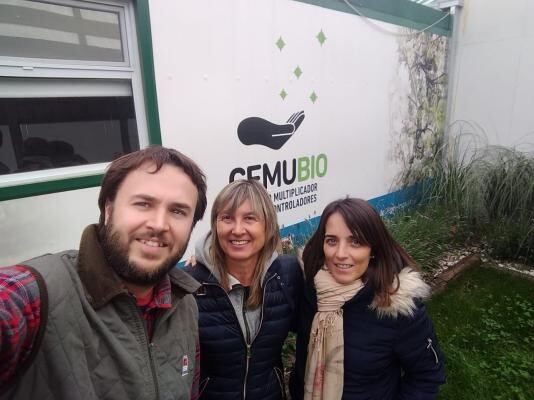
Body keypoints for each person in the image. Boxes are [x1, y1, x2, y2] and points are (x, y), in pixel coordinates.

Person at [0, 146, 207, 400]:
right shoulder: (38, 294)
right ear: (108, 209)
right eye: (143, 203)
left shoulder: (185, 305)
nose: (159, 224)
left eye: (177, 211)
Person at [290, 198, 445, 400]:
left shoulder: (396, 306)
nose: (340, 254)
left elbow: (427, 375)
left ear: (373, 249)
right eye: (332, 241)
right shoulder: (311, 288)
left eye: (356, 241)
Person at [184, 179, 303, 400]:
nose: (237, 230)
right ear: (215, 224)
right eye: (227, 218)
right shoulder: (191, 284)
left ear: (267, 225)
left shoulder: (287, 275)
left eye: (250, 218)